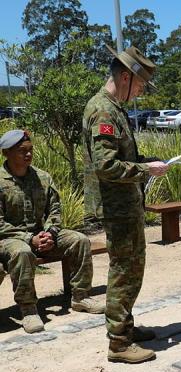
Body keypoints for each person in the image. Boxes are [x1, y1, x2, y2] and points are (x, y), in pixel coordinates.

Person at [83, 45, 170, 363]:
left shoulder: (114, 108)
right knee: (123, 269)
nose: (141, 91)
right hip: (117, 207)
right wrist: (146, 170)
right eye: (141, 85)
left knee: (133, 267)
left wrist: (147, 162)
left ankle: (126, 327)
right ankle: (118, 343)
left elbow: (121, 159)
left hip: (127, 204)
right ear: (125, 77)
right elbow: (105, 166)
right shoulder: (104, 112)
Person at [0, 130, 103, 333]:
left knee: (79, 240)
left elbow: (54, 210)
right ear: (6, 153)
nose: (28, 155)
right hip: (10, 239)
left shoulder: (43, 178)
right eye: (22, 151)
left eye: (30, 150)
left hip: (42, 235)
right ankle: (29, 310)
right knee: (22, 252)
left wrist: (51, 233)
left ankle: (80, 297)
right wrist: (30, 239)